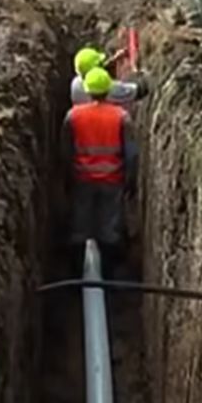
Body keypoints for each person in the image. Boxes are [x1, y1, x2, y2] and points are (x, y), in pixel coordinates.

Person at [61, 67, 138, 276]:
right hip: (112, 180)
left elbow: (65, 152)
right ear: (108, 90)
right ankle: (108, 274)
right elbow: (131, 154)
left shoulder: (73, 116)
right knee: (109, 228)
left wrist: (66, 180)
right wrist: (130, 181)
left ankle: (77, 275)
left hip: (82, 179)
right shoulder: (121, 117)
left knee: (80, 226)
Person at [70, 46, 149, 108]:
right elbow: (140, 90)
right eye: (100, 64)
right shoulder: (107, 89)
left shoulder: (75, 83)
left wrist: (114, 59)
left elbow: (96, 73)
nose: (102, 64)